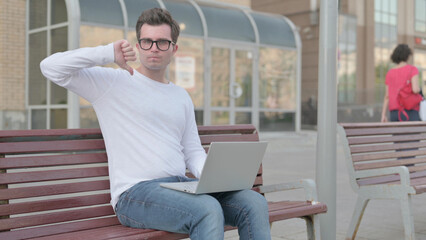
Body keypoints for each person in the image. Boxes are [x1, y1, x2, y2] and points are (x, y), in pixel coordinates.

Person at [40, 8, 271, 240]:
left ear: (174, 49)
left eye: (162, 42)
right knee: (206, 208)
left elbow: (192, 151)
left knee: (253, 201)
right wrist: (108, 52)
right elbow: (51, 67)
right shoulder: (112, 83)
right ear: (138, 46)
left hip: (180, 187)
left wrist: (214, 177)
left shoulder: (181, 96)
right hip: (136, 194)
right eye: (147, 41)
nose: (153, 48)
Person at [381, 44, 421, 122]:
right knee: (413, 134)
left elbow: (387, 96)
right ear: (407, 55)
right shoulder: (412, 69)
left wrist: (383, 114)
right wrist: (420, 89)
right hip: (410, 111)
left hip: (394, 113)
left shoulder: (390, 73)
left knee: (397, 134)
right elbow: (415, 89)